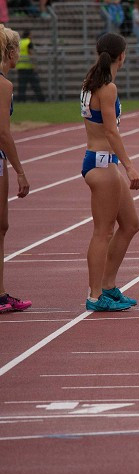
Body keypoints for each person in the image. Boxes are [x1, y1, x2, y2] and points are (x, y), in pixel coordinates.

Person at [81, 33, 139, 311]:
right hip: (102, 162)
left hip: (105, 162)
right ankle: (95, 296)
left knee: (130, 225)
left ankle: (108, 286)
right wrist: (129, 165)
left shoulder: (91, 83)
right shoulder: (107, 88)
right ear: (122, 55)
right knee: (103, 231)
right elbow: (110, 131)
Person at [0, 25, 31, 313]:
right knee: (0, 226)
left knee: (2, 226)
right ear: (9, 52)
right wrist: (20, 170)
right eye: (17, 51)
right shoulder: (4, 85)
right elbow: (4, 133)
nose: (19, 55)